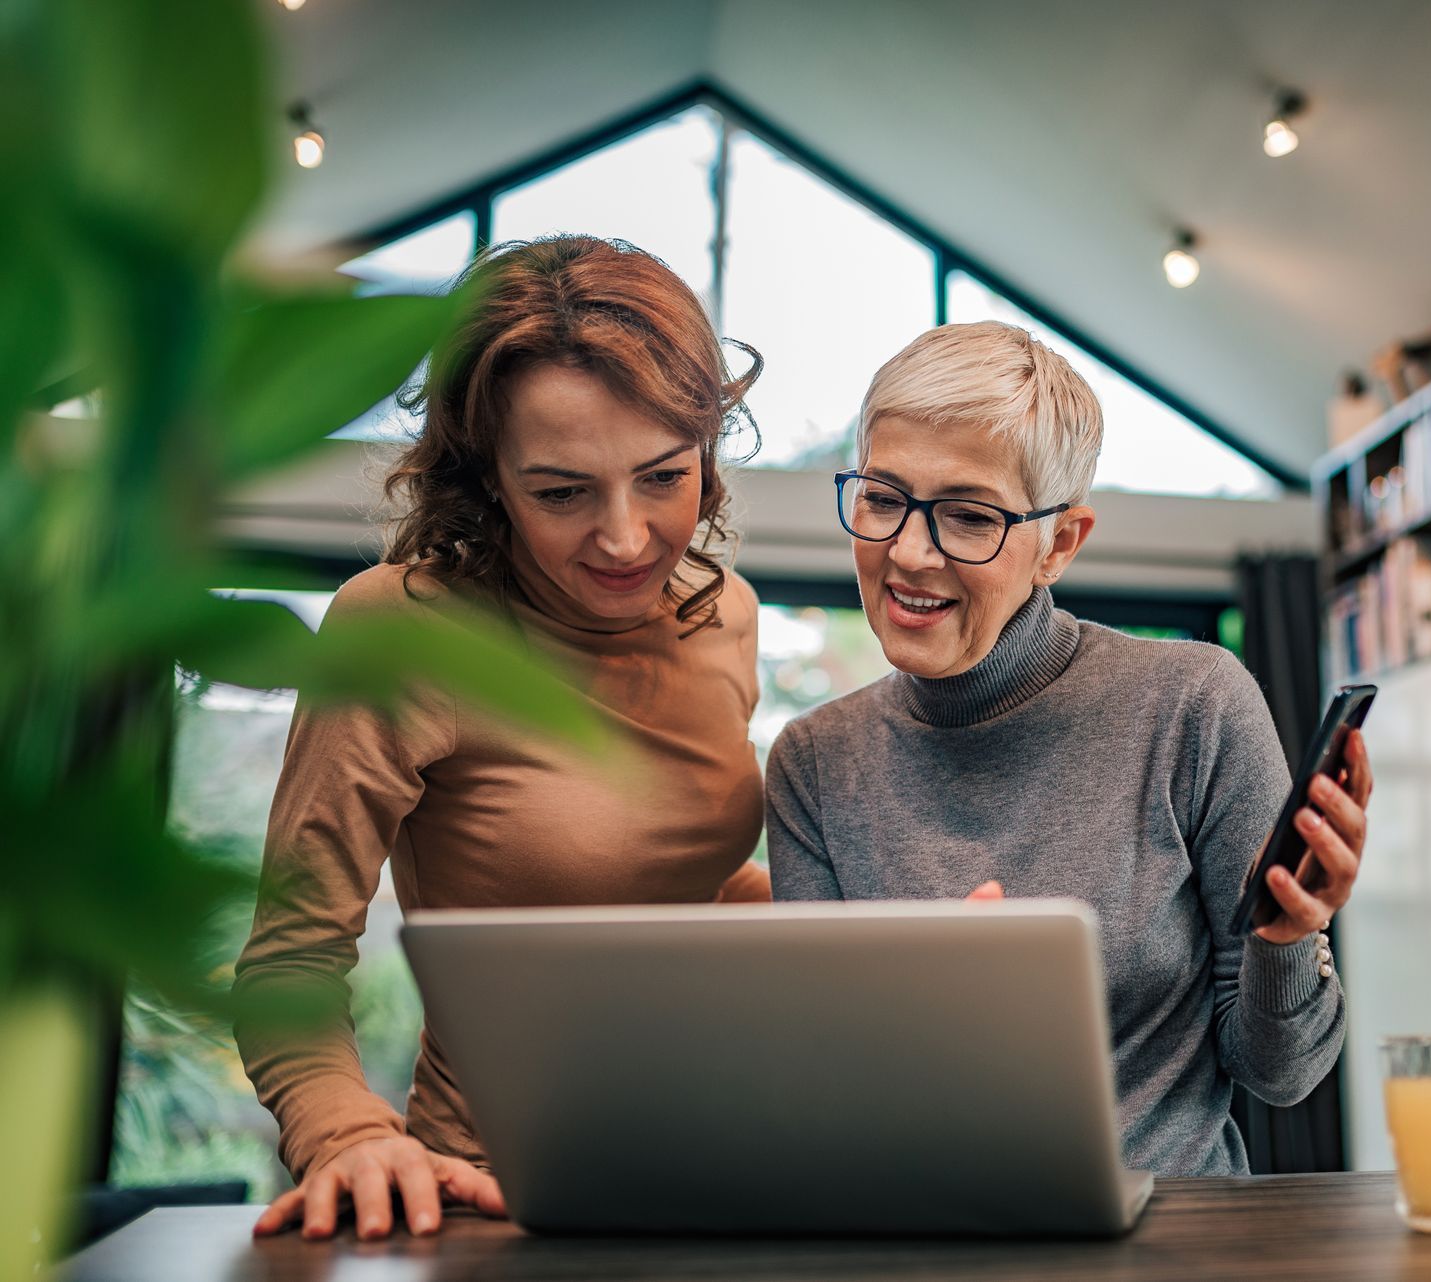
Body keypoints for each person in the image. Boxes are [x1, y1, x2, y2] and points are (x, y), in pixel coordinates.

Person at [236, 236, 767, 1240]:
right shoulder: (403, 628)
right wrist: (347, 1135)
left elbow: (679, 882)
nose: (624, 537)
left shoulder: (724, 612)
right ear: (486, 479)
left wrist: (882, 920)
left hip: (720, 1162)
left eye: (664, 476)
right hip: (496, 1194)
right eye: (562, 492)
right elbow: (288, 962)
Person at [766, 321, 1372, 1176]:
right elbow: (814, 1090)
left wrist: (1284, 940)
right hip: (921, 1240)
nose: (908, 551)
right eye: (881, 497)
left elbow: (1281, 1076)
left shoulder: (1194, 705)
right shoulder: (814, 763)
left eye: (969, 516)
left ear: (1059, 544)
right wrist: (922, 1011)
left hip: (1173, 1240)